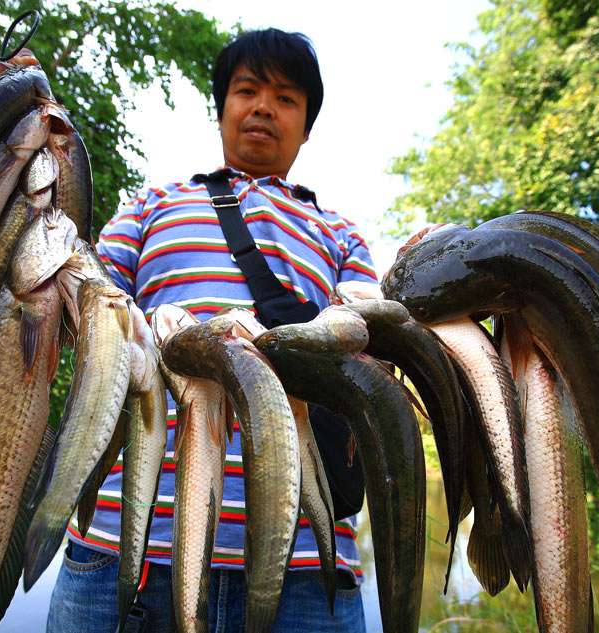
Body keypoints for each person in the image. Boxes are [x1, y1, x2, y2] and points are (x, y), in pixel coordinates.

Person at [46, 27, 379, 633]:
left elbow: (368, 349)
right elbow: (78, 302)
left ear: (306, 126)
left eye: (286, 98)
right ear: (222, 108)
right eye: (247, 90)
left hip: (307, 564)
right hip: (128, 544)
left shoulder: (342, 233)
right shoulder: (150, 204)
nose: (263, 107)